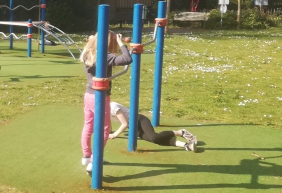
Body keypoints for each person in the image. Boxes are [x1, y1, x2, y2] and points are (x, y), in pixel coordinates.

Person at [80, 31, 132, 173]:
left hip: (88, 95)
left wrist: (93, 39)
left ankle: (86, 156)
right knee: (105, 129)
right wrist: (121, 44)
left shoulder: (88, 53)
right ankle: (94, 161)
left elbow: (92, 44)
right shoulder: (106, 56)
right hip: (100, 97)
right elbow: (127, 59)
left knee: (88, 125)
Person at [107, 102, 198, 151]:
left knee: (154, 137)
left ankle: (181, 132)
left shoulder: (113, 107)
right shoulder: (103, 111)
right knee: (155, 140)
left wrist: (114, 135)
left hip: (139, 120)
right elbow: (108, 125)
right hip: (133, 128)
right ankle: (186, 145)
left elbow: (124, 124)